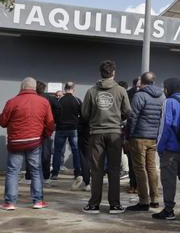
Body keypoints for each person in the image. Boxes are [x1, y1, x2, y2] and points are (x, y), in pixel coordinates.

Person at [81, 60, 132, 214]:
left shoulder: (91, 91)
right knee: (114, 169)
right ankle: (115, 204)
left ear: (100, 73)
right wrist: (117, 117)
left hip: (96, 133)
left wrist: (95, 118)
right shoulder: (121, 91)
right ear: (113, 73)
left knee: (96, 169)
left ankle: (94, 204)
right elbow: (128, 111)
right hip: (115, 132)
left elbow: (84, 113)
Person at [0, 77, 55, 210]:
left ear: (22, 87)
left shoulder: (12, 102)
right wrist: (45, 135)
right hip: (34, 142)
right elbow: (50, 124)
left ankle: (10, 202)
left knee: (12, 172)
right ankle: (38, 201)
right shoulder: (43, 102)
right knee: (35, 170)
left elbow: (2, 122)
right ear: (34, 88)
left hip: (15, 142)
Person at [152, 78, 180, 220]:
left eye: (165, 88)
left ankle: (169, 210)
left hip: (171, 149)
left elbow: (165, 126)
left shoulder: (169, 102)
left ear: (169, 88)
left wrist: (160, 147)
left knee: (169, 180)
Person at [125, 71, 164, 212]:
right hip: (153, 137)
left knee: (140, 169)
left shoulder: (139, 95)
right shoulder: (161, 96)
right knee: (152, 168)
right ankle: (155, 199)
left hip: (139, 137)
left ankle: (143, 201)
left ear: (142, 81)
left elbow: (133, 117)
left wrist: (129, 135)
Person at [53, 82, 82, 187]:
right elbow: (82, 114)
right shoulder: (77, 100)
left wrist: (57, 122)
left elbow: (55, 113)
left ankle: (55, 173)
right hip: (73, 129)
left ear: (65, 89)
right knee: (75, 151)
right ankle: (77, 172)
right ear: (73, 89)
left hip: (60, 128)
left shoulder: (60, 100)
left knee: (57, 151)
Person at [31, 81, 59, 181]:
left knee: (31, 153)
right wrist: (54, 120)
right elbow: (58, 107)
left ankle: (30, 175)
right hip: (45, 129)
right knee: (46, 153)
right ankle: (46, 175)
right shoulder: (49, 98)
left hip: (33, 129)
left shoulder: (31, 98)